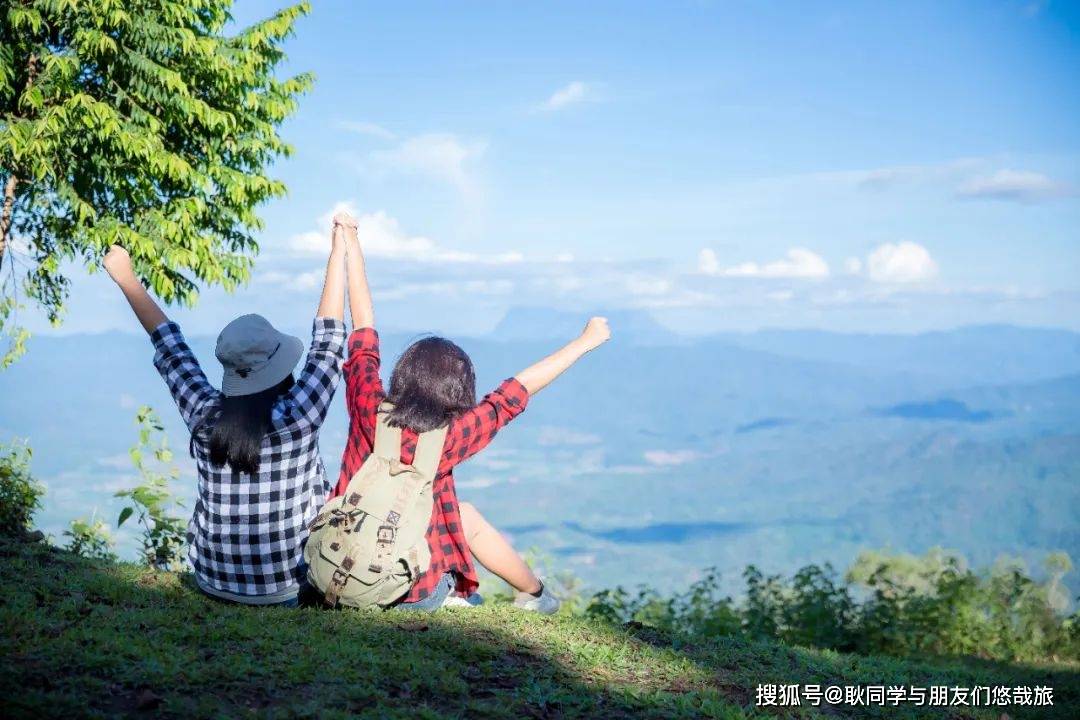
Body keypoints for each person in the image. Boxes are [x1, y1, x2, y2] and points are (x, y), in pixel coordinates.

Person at [332, 211, 611, 614]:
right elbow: (515, 391)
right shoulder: (452, 435)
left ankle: (533, 595)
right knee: (465, 519)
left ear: (403, 374)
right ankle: (535, 596)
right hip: (411, 596)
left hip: (337, 573)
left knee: (459, 514)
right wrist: (585, 342)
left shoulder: (367, 407)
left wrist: (349, 243)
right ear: (458, 391)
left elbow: (363, 330)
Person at [102, 227, 348, 607]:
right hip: (288, 587)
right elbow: (328, 344)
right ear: (281, 367)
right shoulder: (299, 417)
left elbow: (171, 347)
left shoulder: (204, 416)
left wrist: (126, 277)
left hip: (213, 582)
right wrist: (339, 253)